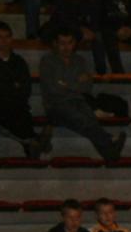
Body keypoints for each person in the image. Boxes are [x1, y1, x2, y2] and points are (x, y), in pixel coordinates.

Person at [39, 27, 126, 162]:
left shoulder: (80, 60)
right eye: (62, 43)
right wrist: (76, 82)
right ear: (55, 43)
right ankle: (108, 139)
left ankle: (111, 155)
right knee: (80, 118)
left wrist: (66, 83)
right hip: (55, 105)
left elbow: (86, 87)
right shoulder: (47, 61)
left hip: (78, 101)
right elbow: (53, 89)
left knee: (87, 119)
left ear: (74, 43)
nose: (66, 47)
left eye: (69, 43)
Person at [0, 22, 50, 158]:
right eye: (0, 37)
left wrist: (3, 90)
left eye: (7, 36)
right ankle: (33, 141)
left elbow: (25, 90)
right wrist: (8, 89)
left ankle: (31, 144)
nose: (4, 41)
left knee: (19, 111)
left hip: (13, 105)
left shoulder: (19, 62)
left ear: (11, 38)